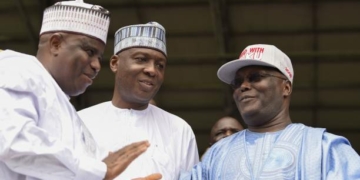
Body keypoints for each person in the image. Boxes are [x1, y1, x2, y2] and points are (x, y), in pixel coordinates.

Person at [0, 1, 160, 179]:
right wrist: (99, 171)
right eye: (90, 51)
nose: (97, 65)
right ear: (55, 44)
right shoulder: (17, 69)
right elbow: (13, 142)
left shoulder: (70, 116)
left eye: (99, 57)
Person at [180, 44, 360, 179]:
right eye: (237, 82)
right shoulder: (216, 154)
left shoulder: (326, 149)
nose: (243, 86)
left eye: (256, 77)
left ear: (286, 87)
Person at [78, 22, 199, 180]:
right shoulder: (80, 122)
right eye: (141, 59)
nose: (152, 70)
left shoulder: (179, 130)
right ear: (115, 63)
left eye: (160, 65)